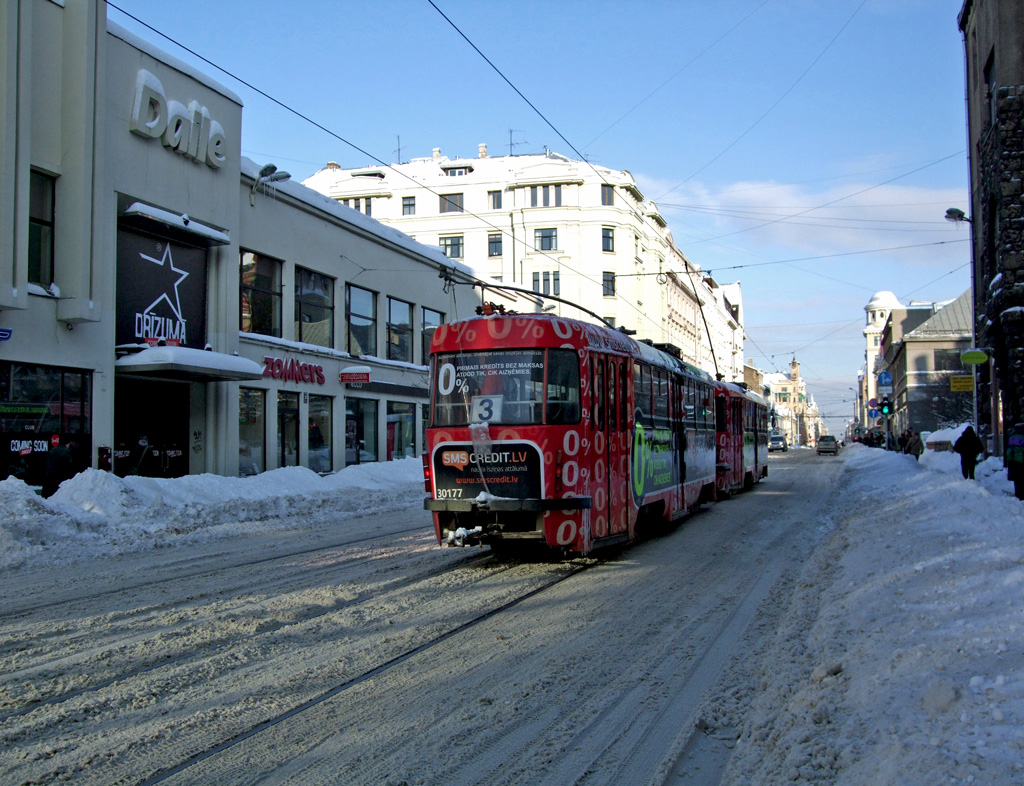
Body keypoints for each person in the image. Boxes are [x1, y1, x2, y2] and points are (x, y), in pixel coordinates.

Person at [1006, 423, 1024, 500]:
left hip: (1015, 463)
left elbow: (1009, 452)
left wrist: (1010, 460)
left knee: (1017, 480)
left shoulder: (1012, 438)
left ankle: (1018, 495)